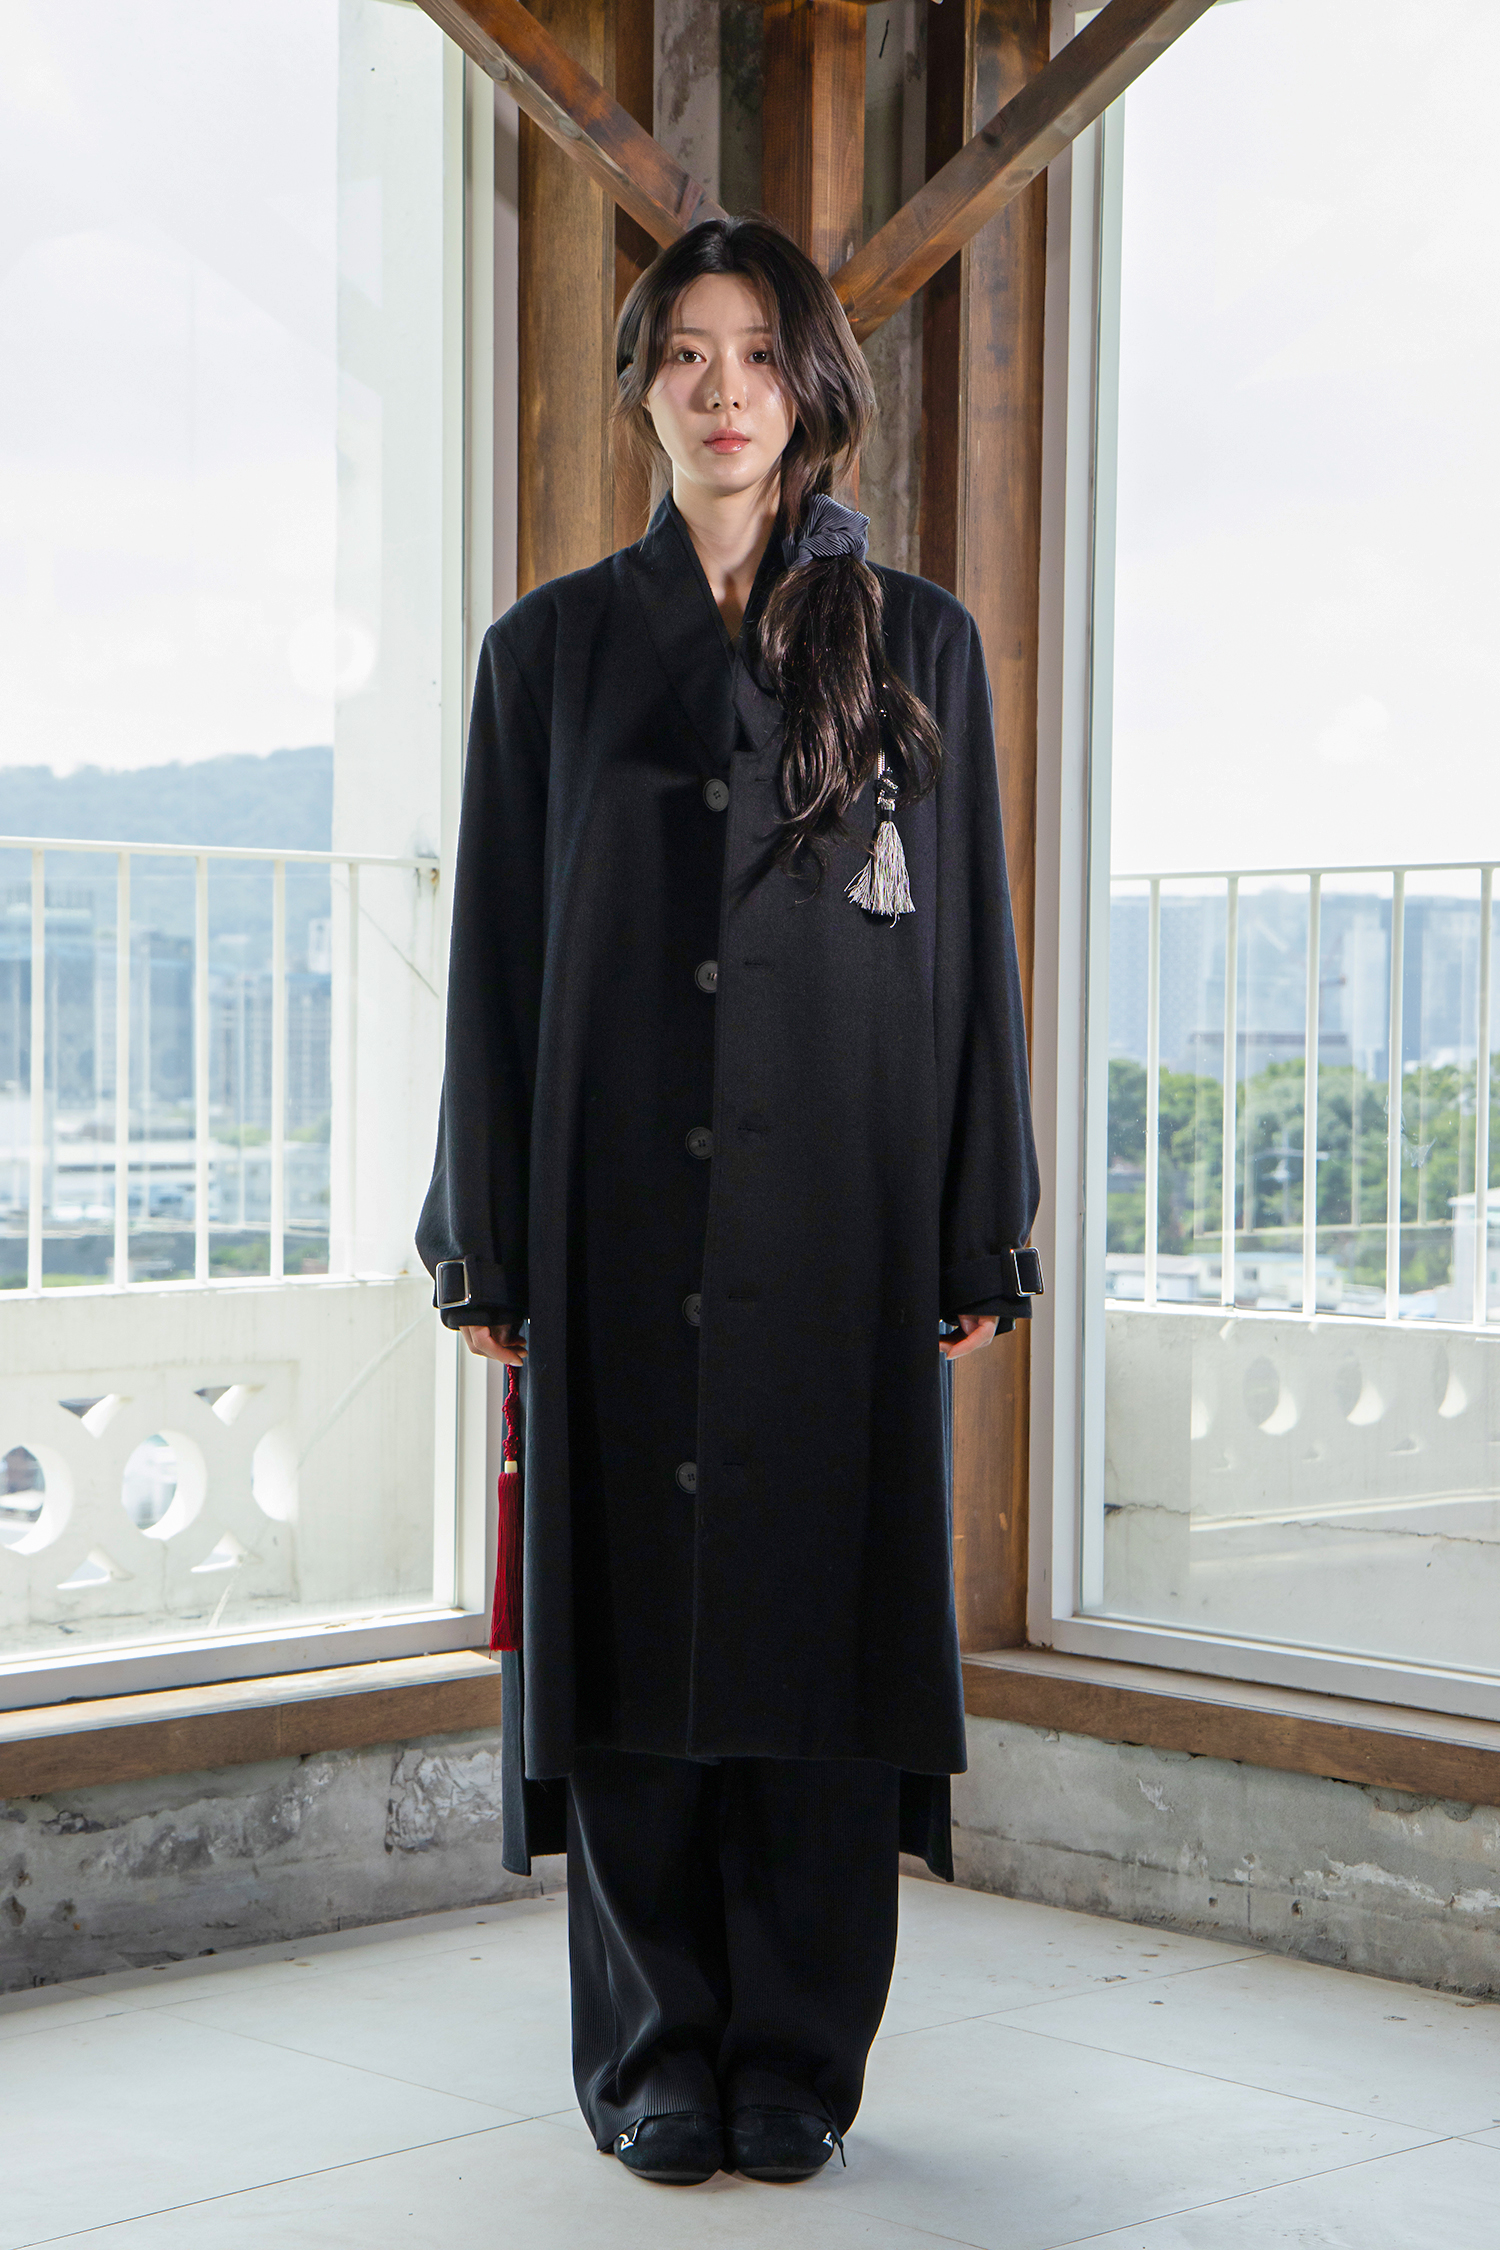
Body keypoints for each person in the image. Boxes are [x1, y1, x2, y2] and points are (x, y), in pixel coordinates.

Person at [417, 214, 1040, 2188]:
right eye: (683, 353)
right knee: (630, 1637)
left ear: (809, 385)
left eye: (755, 352)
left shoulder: (914, 644)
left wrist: (983, 1216)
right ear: (643, 389)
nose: (720, 389)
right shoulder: (548, 655)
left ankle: (797, 2051)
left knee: (823, 1626)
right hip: (615, 1214)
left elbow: (972, 953)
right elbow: (495, 962)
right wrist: (482, 1234)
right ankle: (656, 2051)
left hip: (844, 1216)